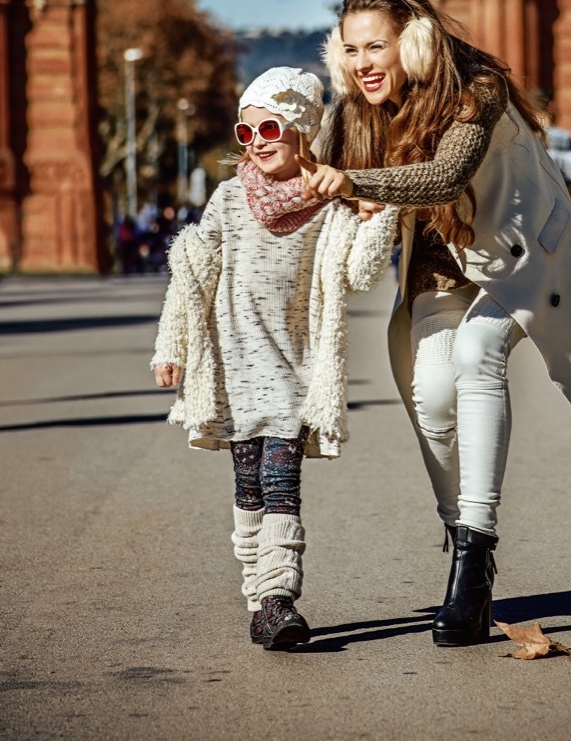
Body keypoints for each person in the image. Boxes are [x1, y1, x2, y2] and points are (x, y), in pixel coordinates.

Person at [299, 0, 571, 647]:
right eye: (351, 50)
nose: (362, 63)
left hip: (519, 257)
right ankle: (461, 538)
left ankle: (472, 558)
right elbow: (308, 173)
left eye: (376, 46)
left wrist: (355, 182)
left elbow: (443, 177)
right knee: (430, 395)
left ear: (412, 39)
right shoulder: (357, 109)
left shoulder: (477, 89)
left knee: (476, 357)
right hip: (437, 264)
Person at [151, 67, 397, 651]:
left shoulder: (326, 203)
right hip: (232, 373)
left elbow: (360, 274)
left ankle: (279, 597)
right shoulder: (230, 197)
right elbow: (190, 274)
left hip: (294, 373)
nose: (257, 140)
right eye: (246, 130)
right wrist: (172, 347)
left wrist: (379, 211)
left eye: (269, 127)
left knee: (280, 484)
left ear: (301, 133)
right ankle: (258, 598)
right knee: (249, 490)